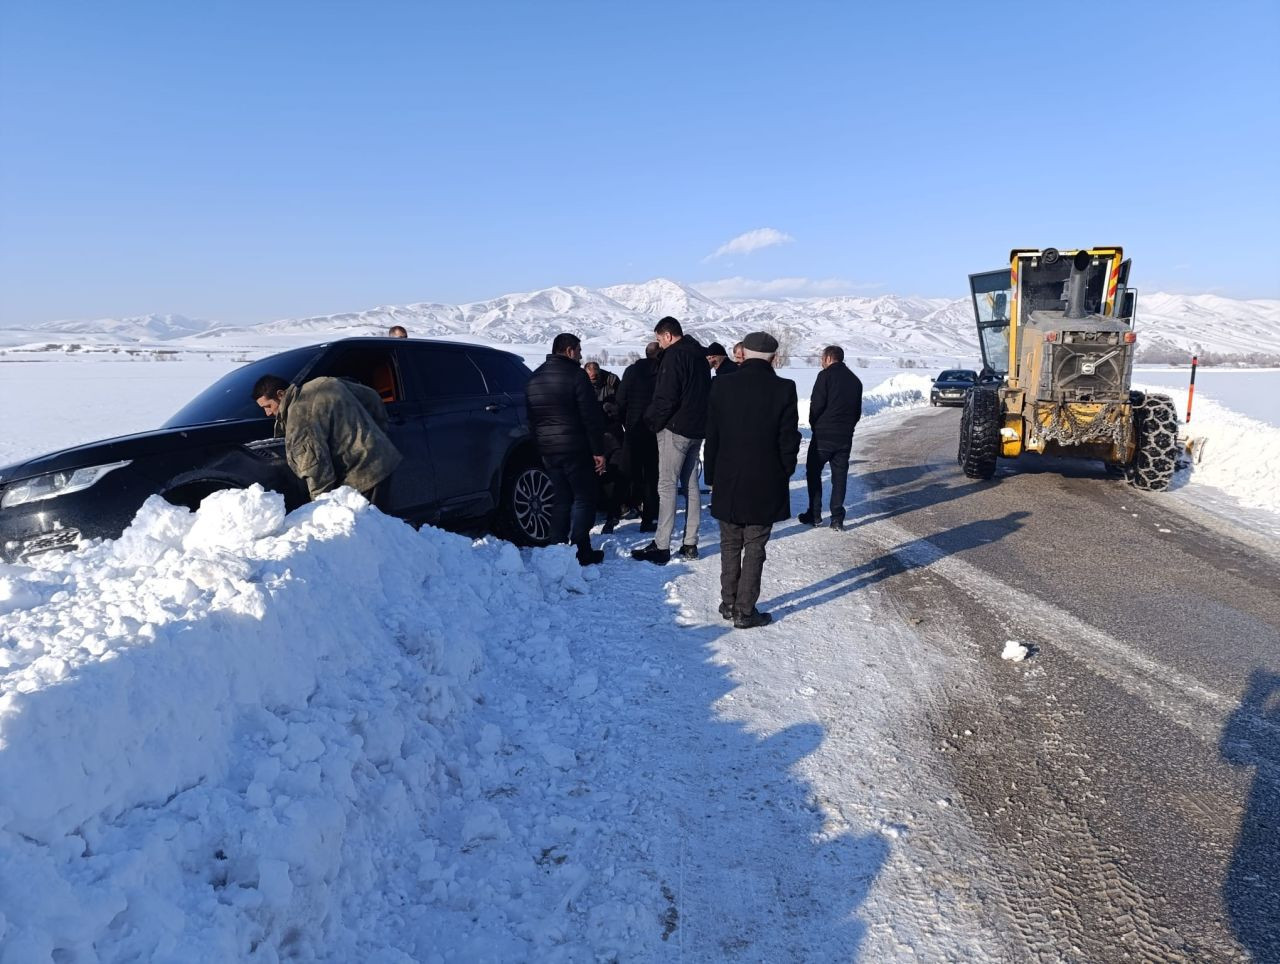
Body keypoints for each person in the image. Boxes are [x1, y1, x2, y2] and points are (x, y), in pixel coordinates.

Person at [704, 332, 800, 628]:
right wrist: (784, 471)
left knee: (730, 542)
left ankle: (728, 602)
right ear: (773, 356)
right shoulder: (785, 388)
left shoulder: (721, 384)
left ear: (742, 353)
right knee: (755, 544)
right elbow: (788, 440)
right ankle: (745, 611)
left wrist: (712, 476)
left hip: (728, 478)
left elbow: (713, 436)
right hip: (766, 479)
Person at [253, 374, 402, 509]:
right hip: (382, 458)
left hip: (361, 475)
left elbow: (314, 468)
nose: (267, 413)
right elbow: (371, 396)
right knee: (381, 524)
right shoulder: (322, 384)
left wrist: (322, 507)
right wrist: (378, 434)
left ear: (280, 395)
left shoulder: (299, 416)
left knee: (367, 530)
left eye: (268, 406)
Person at [632, 317, 711, 565]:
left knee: (666, 486)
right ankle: (690, 543)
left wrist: (652, 421)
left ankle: (662, 545)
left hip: (675, 428)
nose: (659, 344)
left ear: (667, 336)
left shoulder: (674, 356)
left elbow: (666, 396)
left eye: (658, 339)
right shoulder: (699, 355)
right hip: (697, 428)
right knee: (689, 485)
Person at [525, 333, 607, 566]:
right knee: (583, 498)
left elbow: (531, 419)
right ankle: (582, 550)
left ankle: (555, 549)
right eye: (579, 351)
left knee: (560, 498)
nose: (581, 356)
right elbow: (590, 416)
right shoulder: (576, 376)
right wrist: (598, 450)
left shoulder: (535, 378)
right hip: (575, 447)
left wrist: (540, 445)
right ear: (570, 350)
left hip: (548, 451)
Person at [800, 345, 863, 530]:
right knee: (839, 476)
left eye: (822, 358)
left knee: (813, 472)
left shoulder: (825, 376)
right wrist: (848, 427)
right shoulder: (855, 381)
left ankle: (815, 513)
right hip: (844, 437)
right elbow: (856, 412)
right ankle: (837, 518)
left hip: (823, 436)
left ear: (828, 358)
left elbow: (817, 404)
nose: (821, 361)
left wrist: (815, 425)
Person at [616, 341, 661, 532]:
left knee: (625, 473)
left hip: (634, 428)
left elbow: (620, 399)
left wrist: (626, 422)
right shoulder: (662, 373)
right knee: (652, 476)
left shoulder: (631, 371)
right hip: (654, 430)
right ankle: (649, 518)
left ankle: (613, 515)